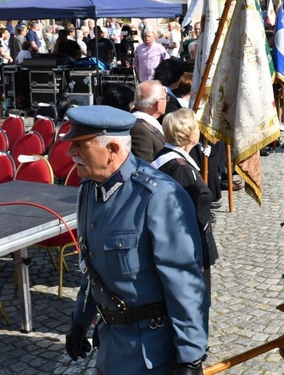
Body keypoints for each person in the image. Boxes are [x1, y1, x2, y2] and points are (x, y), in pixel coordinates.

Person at [61, 106, 208, 373]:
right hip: (109, 345)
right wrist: (80, 321)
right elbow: (91, 266)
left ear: (113, 150)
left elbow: (184, 282)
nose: (71, 153)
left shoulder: (157, 196)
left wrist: (190, 356)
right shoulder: (89, 189)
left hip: (150, 353)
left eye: (80, 145)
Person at [151, 108, 219, 296]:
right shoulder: (180, 169)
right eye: (196, 127)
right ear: (190, 135)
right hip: (189, 251)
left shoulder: (165, 156)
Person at [130, 80, 168, 162]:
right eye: (166, 98)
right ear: (158, 104)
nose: (167, 101)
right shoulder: (139, 129)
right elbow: (144, 167)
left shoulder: (146, 122)